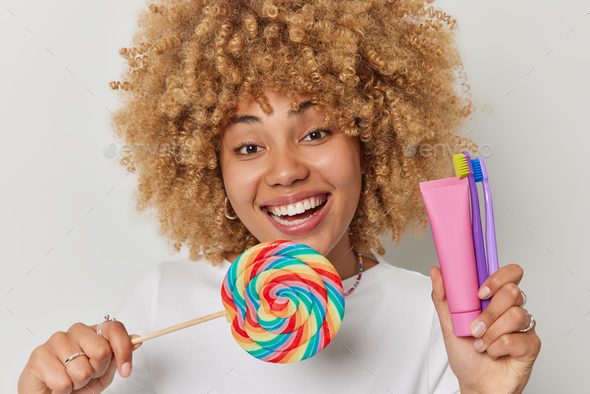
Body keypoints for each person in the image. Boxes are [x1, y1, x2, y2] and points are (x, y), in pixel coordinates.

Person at [18, 0, 541, 393]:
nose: (286, 170)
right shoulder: (158, 304)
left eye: (316, 133)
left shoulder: (440, 322)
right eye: (248, 145)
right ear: (210, 169)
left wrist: (483, 393)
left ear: (370, 143)